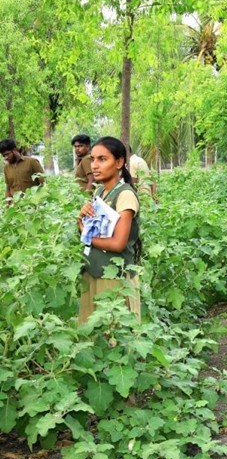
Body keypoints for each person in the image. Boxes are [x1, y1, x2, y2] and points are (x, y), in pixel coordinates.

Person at [77, 136, 141, 324]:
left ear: (119, 162)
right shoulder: (100, 192)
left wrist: (85, 236)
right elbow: (93, 229)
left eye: (102, 159)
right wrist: (82, 216)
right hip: (94, 271)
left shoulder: (125, 195)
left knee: (113, 335)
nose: (95, 165)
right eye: (93, 159)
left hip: (113, 277)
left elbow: (118, 243)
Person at [2, 138, 44, 205]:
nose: (6, 157)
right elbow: (8, 188)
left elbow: (43, 183)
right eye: (4, 155)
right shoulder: (6, 168)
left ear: (14, 150)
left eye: (7, 154)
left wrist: (41, 202)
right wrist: (8, 205)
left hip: (33, 205)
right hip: (17, 208)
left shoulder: (32, 162)